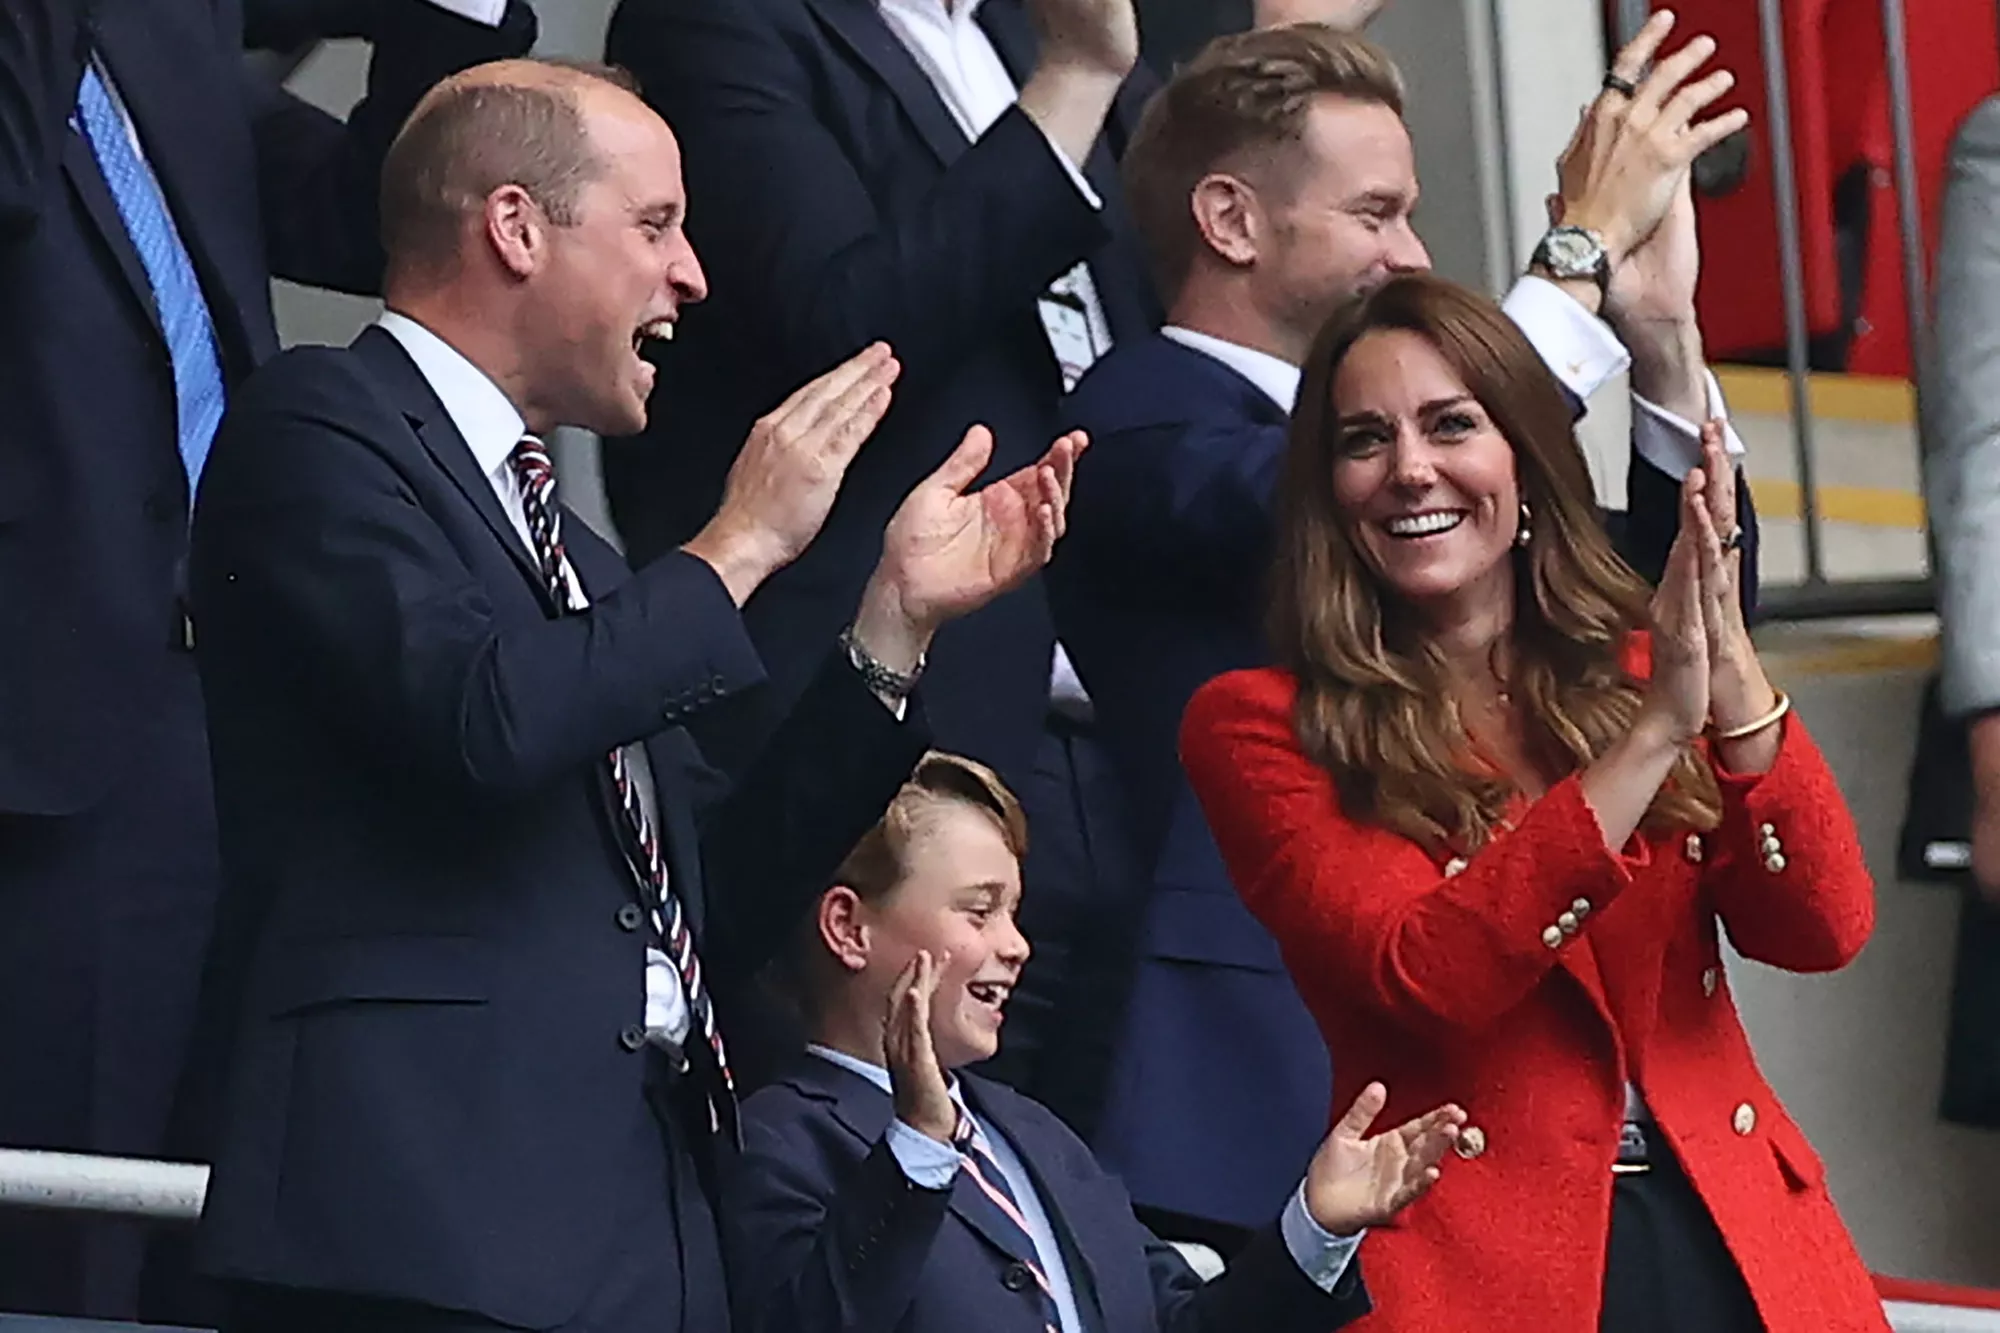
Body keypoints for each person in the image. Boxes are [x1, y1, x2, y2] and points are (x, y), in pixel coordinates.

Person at [184, 58, 1084, 1333]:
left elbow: (708, 886)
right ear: (514, 227)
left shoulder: (585, 564)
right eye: (656, 225)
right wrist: (740, 545)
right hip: (411, 1226)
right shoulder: (317, 425)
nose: (693, 275)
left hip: (630, 1241)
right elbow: (478, 720)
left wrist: (891, 626)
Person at [1049, 14, 1759, 1246]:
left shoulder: (1440, 489)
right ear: (1228, 221)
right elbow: (1310, 498)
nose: (1410, 251)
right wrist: (1573, 252)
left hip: (1515, 1072)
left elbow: (1674, 619)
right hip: (1287, 1087)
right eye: (1373, 212)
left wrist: (1660, 340)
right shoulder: (1131, 422)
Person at [597, 0, 1383, 1097]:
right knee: (904, 1155)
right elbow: (840, 328)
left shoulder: (1029, 35)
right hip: (894, 731)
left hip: (1118, 730)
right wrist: (1076, 75)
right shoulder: (733, 27)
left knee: (1113, 1194)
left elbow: (1187, 314)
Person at [1179, 273, 1886, 1333]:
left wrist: (1733, 683)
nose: (1409, 468)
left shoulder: (1641, 669)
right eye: (1363, 439)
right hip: (1484, 1265)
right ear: (1325, 488)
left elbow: (1821, 925)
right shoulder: (1262, 722)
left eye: (1450, 424)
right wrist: (1652, 735)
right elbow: (1424, 973)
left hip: (1734, 1236)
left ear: (1522, 459)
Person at [0, 0, 534, 1318]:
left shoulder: (160, 35)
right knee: (69, 1231)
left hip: (245, 712)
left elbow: (376, 211)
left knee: (240, 1223)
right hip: (56, 726)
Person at [727, 750, 1465, 1333]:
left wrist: (1314, 1226)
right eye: (978, 911)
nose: (1016, 945)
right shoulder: (773, 1140)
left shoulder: (1035, 1136)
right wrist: (915, 1150)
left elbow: (1181, 1324)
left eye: (1015, 912)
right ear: (849, 927)